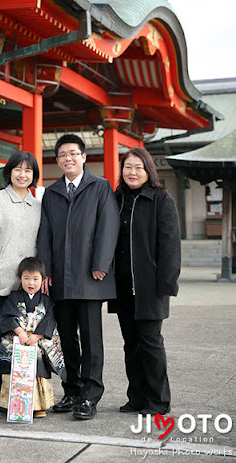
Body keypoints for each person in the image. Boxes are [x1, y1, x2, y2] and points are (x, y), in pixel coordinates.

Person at [37, 133, 120, 420]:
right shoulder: (52, 192)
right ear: (57, 161)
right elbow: (44, 233)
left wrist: (101, 264)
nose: (68, 158)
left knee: (91, 339)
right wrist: (45, 270)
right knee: (67, 340)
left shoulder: (100, 186)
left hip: (89, 277)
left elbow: (109, 227)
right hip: (60, 277)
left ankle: (90, 396)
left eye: (73, 153)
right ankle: (71, 390)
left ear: (84, 157)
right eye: (62, 155)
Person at [113, 148, 181, 417]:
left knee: (151, 344)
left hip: (150, 287)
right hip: (122, 285)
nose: (132, 172)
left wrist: (167, 284)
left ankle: (158, 401)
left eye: (138, 167)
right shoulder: (116, 199)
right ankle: (137, 397)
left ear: (148, 171)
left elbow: (170, 245)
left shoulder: (161, 200)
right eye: (127, 167)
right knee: (131, 344)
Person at [0, 151, 41, 411]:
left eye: (28, 171)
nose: (23, 175)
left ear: (33, 175)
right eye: (18, 169)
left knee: (24, 339)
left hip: (27, 285)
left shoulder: (38, 205)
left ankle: (21, 393)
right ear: (9, 172)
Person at [0, 256, 65, 418]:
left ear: (42, 280)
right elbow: (5, 316)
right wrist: (20, 332)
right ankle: (12, 404)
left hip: (37, 342)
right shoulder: (14, 297)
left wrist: (36, 335)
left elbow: (49, 320)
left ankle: (39, 405)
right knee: (14, 370)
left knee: (39, 370)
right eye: (26, 278)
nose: (31, 283)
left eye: (35, 279)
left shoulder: (46, 300)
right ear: (20, 279)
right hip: (17, 342)